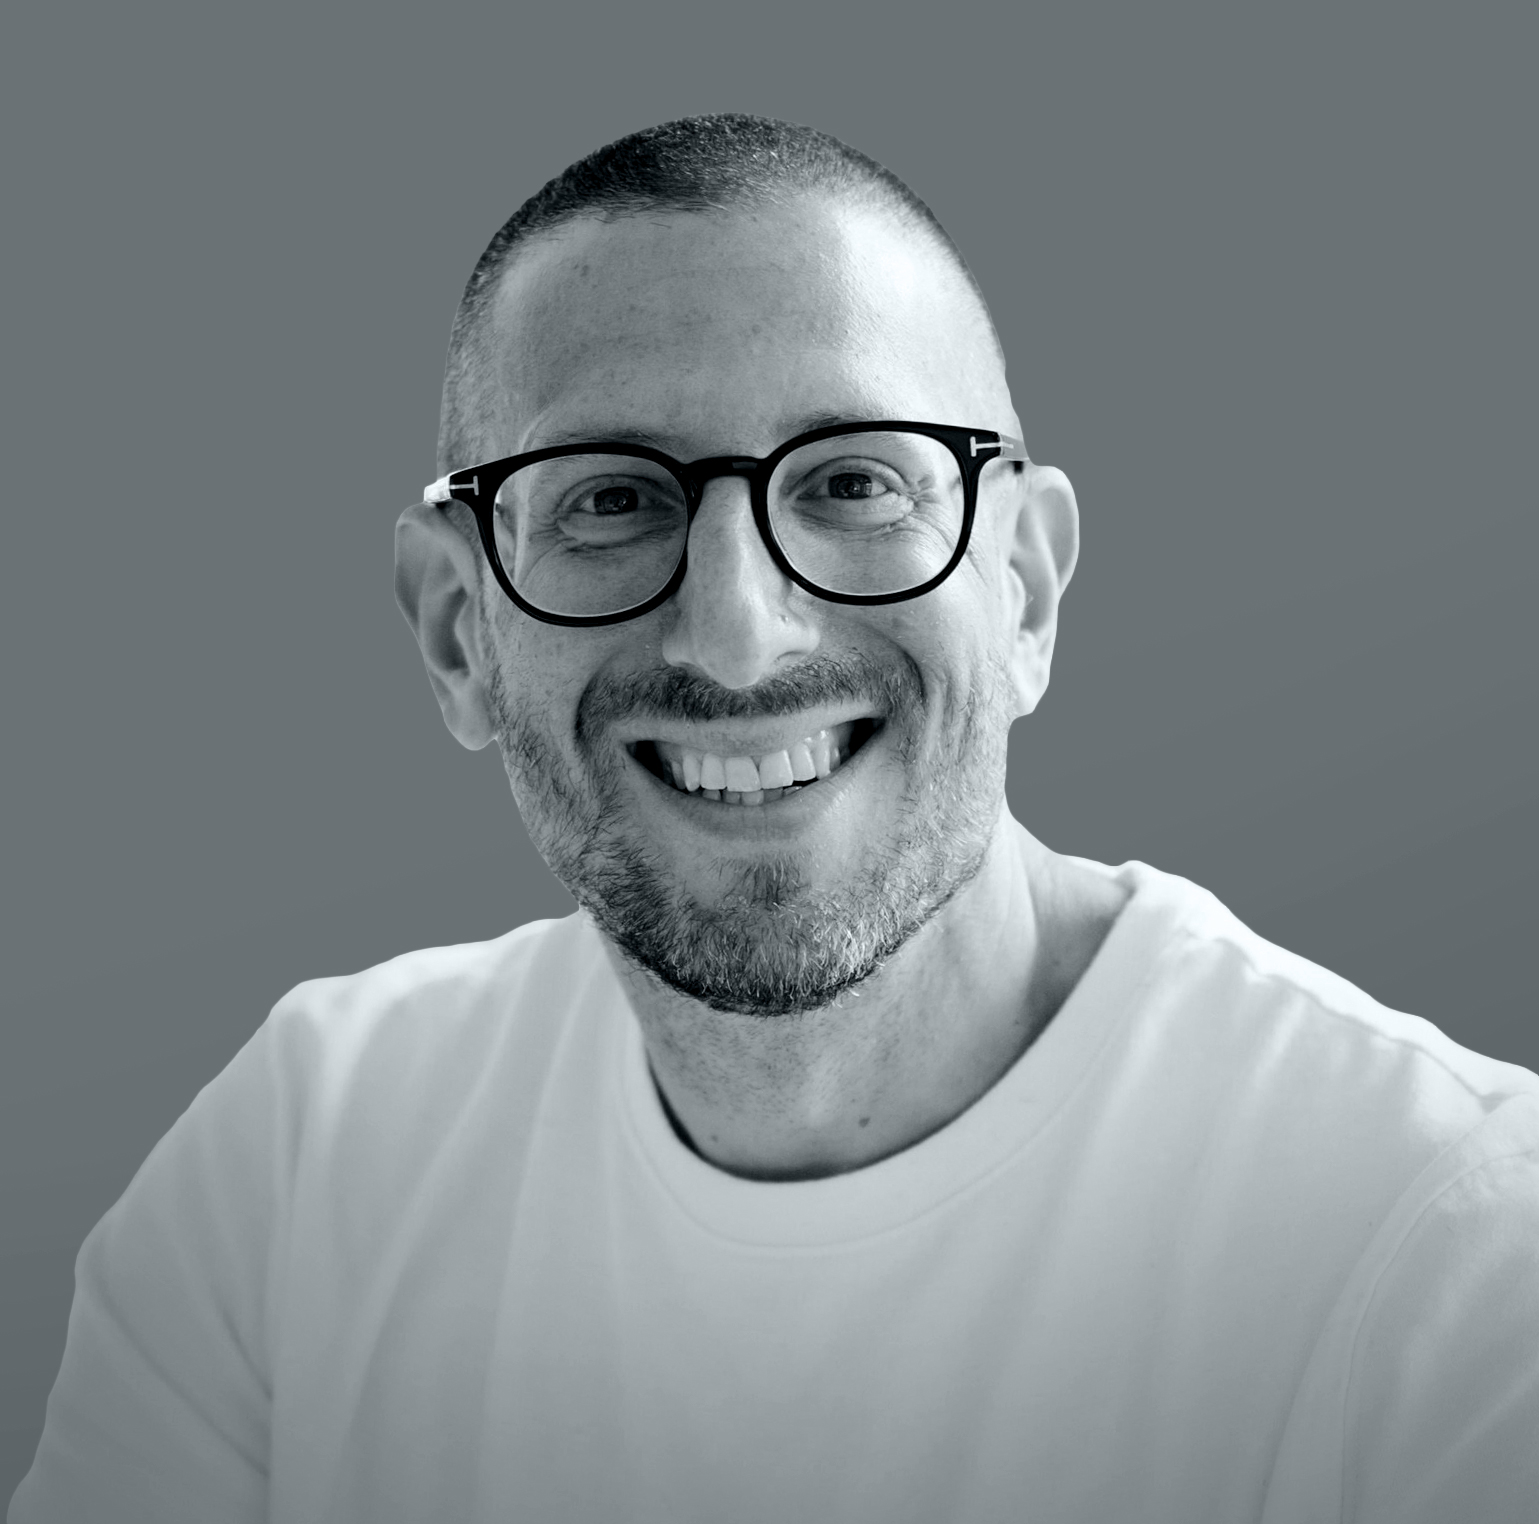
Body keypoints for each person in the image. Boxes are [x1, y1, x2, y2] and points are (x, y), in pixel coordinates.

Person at [11, 114, 1539, 1524]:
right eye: (610, 499)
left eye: (855, 483)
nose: (737, 635)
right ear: (459, 633)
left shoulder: (1453, 1252)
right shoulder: (300, 1166)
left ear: (1023, 592)